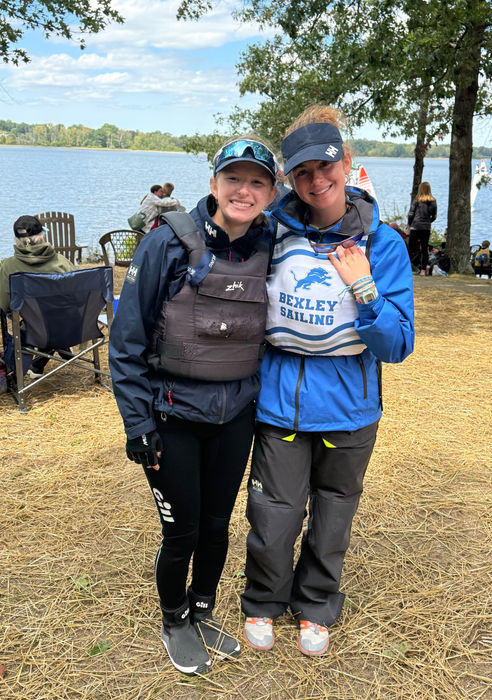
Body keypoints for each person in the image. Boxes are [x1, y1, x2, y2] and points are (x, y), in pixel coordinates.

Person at [241, 105, 414, 657]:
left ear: (347, 162)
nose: (317, 180)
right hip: (279, 404)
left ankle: (316, 603)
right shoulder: (269, 233)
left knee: (334, 511)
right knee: (274, 512)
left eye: (326, 166)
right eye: (303, 172)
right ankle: (265, 600)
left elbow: (399, 345)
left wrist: (365, 289)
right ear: (289, 178)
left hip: (351, 407)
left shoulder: (384, 244)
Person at [109, 137, 277, 676]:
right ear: (213, 185)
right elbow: (127, 339)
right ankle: (174, 619)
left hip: (236, 416)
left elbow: (331, 206)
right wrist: (138, 423)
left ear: (270, 193)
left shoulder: (271, 239)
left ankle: (203, 609)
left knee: (216, 524)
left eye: (256, 182)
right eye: (234, 179)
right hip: (171, 415)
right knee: (181, 530)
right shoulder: (166, 243)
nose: (243, 191)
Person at [0, 215, 75, 378]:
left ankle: (33, 364)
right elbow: (77, 297)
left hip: (33, 331)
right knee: (52, 316)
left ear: (17, 240)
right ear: (42, 236)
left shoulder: (9, 267)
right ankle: (55, 351)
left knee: (34, 320)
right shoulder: (61, 262)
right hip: (73, 328)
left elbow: (4, 305)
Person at [407, 182, 437, 275]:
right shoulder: (433, 201)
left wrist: (409, 224)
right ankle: (423, 270)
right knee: (424, 249)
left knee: (411, 248)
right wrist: (428, 222)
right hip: (426, 227)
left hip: (415, 226)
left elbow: (411, 214)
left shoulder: (417, 200)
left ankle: (407, 267)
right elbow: (434, 216)